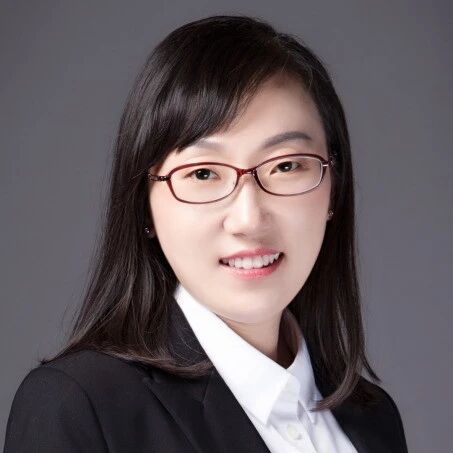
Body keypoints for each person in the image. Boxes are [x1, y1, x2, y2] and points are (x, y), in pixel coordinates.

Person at [3, 14, 409, 453]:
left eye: (286, 165)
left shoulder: (373, 419)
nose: (249, 219)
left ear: (335, 188)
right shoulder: (78, 407)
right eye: (203, 173)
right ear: (145, 204)